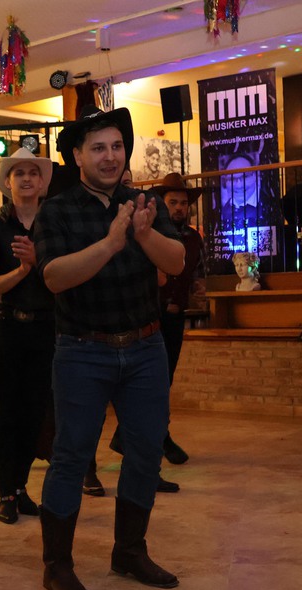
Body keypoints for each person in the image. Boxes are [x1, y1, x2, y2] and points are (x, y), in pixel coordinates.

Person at [33, 105, 185, 590]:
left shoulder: (146, 203)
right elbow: (54, 277)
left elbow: (177, 262)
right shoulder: (57, 210)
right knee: (72, 456)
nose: (110, 156)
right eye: (98, 147)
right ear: (77, 156)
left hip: (145, 347)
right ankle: (57, 564)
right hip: (82, 350)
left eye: (117, 146)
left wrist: (143, 233)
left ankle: (130, 551)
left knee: (145, 451)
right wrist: (112, 242)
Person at [108, 173, 205, 470]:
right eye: (173, 202)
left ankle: (146, 437)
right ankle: (149, 440)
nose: (179, 208)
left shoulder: (193, 238)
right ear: (162, 204)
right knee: (149, 385)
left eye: (183, 203)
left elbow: (195, 274)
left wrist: (196, 290)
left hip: (176, 318)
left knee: (165, 381)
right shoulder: (147, 233)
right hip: (151, 316)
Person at [0, 148, 55, 525]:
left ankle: (21, 487)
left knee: (35, 413)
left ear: (41, 182)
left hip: (47, 328)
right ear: (7, 183)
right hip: (9, 327)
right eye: (18, 173)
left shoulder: (54, 225)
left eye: (32, 173)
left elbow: (65, 279)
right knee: (6, 414)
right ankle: (5, 493)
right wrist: (23, 270)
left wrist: (37, 262)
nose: (26, 178)